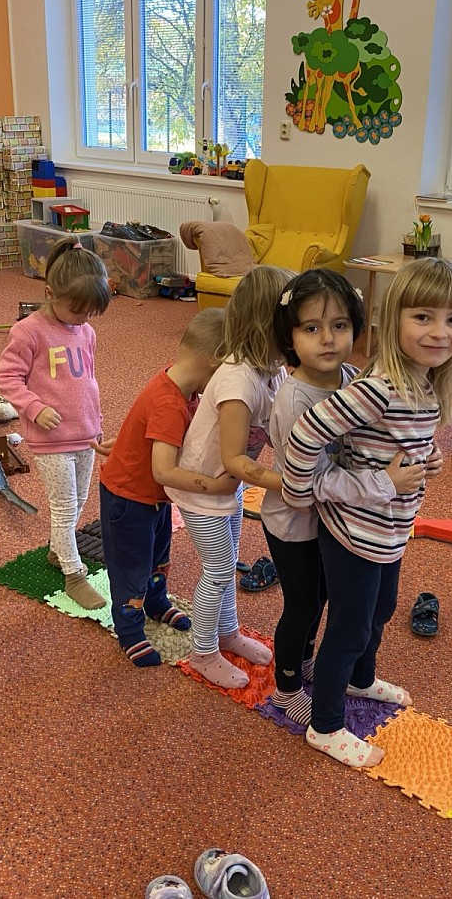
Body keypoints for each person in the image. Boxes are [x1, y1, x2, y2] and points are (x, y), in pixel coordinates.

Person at [283, 257, 452, 767]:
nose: (440, 332)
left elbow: (400, 438)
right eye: (423, 317)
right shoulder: (379, 388)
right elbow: (305, 434)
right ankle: (325, 726)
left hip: (391, 528)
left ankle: (359, 678)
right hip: (355, 530)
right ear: (394, 320)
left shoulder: (423, 382)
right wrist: (303, 490)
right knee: (349, 627)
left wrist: (427, 456)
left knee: (382, 610)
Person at [263, 269, 424, 726]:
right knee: (304, 607)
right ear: (290, 336)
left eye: (339, 325)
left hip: (339, 524)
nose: (328, 339)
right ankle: (286, 688)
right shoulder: (295, 400)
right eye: (311, 328)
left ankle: (319, 666)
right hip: (297, 524)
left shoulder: (353, 378)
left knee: (337, 603)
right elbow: (308, 481)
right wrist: (383, 485)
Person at [164, 265, 294, 689]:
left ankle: (227, 632)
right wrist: (287, 483)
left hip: (228, 488)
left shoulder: (273, 371)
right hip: (201, 489)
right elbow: (234, 458)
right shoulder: (238, 380)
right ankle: (203, 653)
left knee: (229, 558)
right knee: (218, 569)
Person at [98, 308, 236, 667]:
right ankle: (129, 630)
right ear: (217, 361)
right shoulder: (170, 403)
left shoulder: (179, 386)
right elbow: (163, 470)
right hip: (129, 498)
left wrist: (125, 442)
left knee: (158, 557)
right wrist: (213, 486)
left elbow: (149, 430)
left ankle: (156, 602)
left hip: (155, 500)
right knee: (131, 568)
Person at [0, 237, 113, 610]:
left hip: (84, 433)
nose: (84, 318)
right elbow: (8, 378)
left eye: (91, 312)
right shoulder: (29, 331)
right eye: (77, 310)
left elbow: (88, 382)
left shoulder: (87, 332)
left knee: (79, 500)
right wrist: (34, 408)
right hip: (50, 439)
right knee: (64, 506)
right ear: (49, 294)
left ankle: (57, 549)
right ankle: (73, 574)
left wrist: (95, 421)